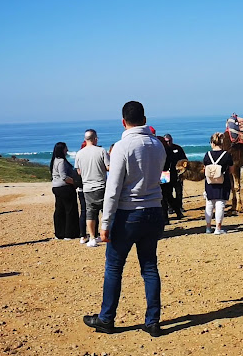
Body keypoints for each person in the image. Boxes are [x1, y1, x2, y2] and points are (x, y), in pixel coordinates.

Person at [83, 101, 167, 337]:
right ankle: (153, 321)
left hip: (128, 213)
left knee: (114, 267)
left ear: (123, 121)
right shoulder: (157, 145)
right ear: (144, 118)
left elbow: (113, 188)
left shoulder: (122, 147)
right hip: (154, 210)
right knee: (149, 267)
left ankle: (106, 319)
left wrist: (105, 223)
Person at [75, 130, 110, 247]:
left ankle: (92, 237)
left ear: (85, 139)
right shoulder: (101, 151)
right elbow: (108, 167)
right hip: (101, 185)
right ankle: (106, 234)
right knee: (106, 211)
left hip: (87, 187)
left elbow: (78, 171)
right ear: (95, 139)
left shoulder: (79, 153)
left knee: (90, 213)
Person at [203, 132, 234, 234]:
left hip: (209, 182)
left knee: (209, 204)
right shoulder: (227, 155)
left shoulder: (207, 155)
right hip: (223, 182)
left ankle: (208, 227)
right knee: (220, 204)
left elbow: (204, 169)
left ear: (212, 143)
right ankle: (218, 228)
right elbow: (231, 170)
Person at [50, 142, 79, 240]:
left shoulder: (55, 160)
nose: (67, 150)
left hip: (56, 187)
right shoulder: (61, 161)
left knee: (60, 210)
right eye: (66, 148)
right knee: (70, 210)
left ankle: (60, 232)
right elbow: (64, 177)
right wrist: (75, 183)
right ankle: (69, 233)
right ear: (62, 150)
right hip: (64, 188)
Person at [163, 134, 187, 215]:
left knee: (179, 191)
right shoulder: (162, 150)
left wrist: (182, 170)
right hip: (166, 174)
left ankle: (179, 207)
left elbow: (184, 160)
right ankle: (170, 208)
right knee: (168, 192)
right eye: (166, 141)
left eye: (170, 140)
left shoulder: (178, 148)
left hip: (177, 173)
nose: (168, 142)